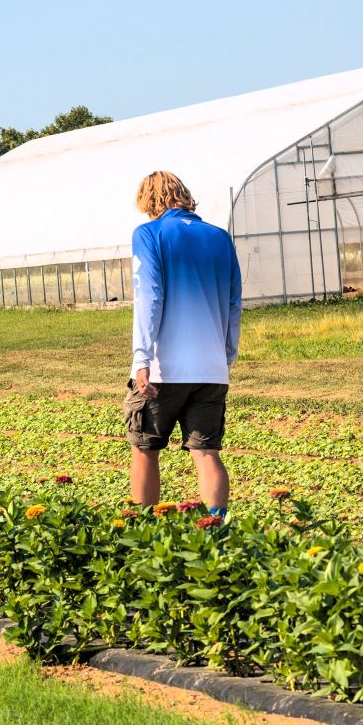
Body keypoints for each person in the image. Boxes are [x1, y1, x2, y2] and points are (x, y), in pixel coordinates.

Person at [126, 170, 241, 513]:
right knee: (206, 452)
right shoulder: (220, 237)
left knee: (145, 447)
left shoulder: (149, 233)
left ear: (150, 201)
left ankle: (142, 528)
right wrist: (226, 356)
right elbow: (234, 302)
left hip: (164, 369)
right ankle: (215, 528)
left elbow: (150, 296)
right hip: (211, 368)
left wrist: (141, 357)